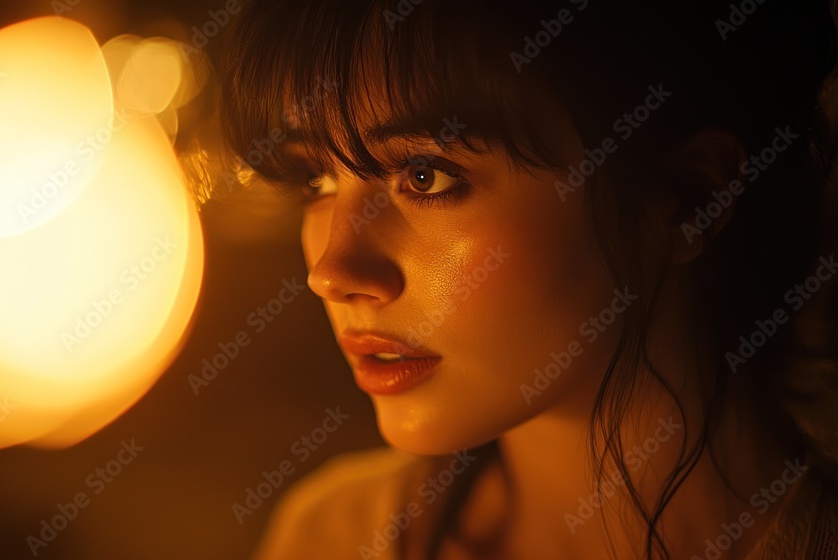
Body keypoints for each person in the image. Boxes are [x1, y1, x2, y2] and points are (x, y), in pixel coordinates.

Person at [208, 0, 838, 558]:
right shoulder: (330, 536)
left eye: (425, 176)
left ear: (687, 197)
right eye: (315, 180)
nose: (330, 273)